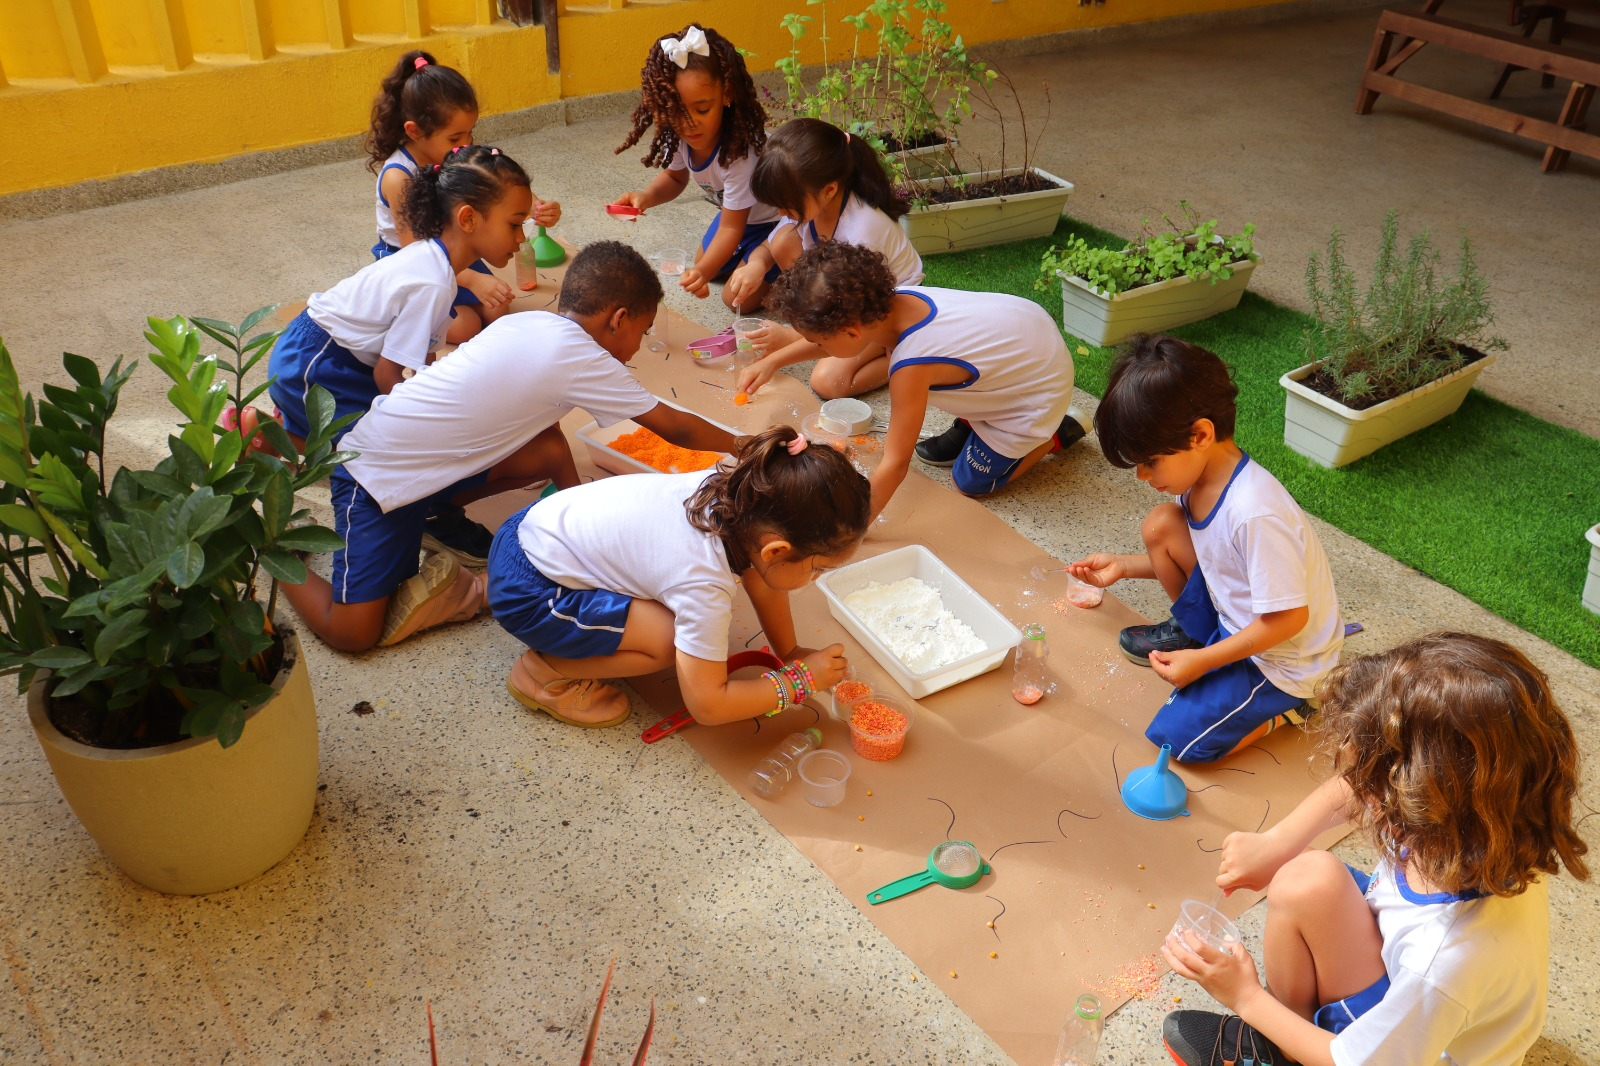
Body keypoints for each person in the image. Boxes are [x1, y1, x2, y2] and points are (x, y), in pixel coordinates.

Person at [280, 240, 736, 653]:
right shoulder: (583, 358)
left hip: (414, 467)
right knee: (354, 633)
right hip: (374, 479)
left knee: (547, 449)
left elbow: (545, 431)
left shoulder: (528, 323)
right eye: (643, 329)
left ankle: (435, 516)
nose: (638, 346)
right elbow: (679, 429)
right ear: (618, 318)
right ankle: (277, 553)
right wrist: (749, 444)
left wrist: (579, 515)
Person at [1160, 632, 1590, 1066]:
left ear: (1421, 796)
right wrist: (1278, 842)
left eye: (1374, 778)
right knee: (1305, 880)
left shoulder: (1442, 961)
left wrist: (1245, 997)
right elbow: (1357, 784)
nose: (1361, 787)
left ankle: (1286, 1048)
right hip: (1420, 995)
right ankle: (1283, 1042)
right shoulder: (1489, 827)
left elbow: (1356, 1061)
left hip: (1411, 1052)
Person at [1066, 335, 1343, 763]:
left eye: (1150, 461)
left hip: (1281, 660)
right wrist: (1123, 566)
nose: (1142, 476)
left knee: (1177, 741)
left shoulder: (1255, 513)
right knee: (1161, 525)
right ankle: (1199, 636)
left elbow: (1289, 619)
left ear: (1199, 434)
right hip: (1240, 618)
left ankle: (1294, 708)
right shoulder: (1199, 480)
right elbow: (1216, 560)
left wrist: (1205, 661)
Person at [486, 426, 868, 728]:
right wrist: (801, 681)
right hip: (532, 594)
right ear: (777, 551)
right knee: (667, 642)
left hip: (532, 529)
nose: (815, 579)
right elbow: (708, 705)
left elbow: (761, 575)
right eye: (817, 568)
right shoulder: (701, 581)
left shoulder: (743, 494)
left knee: (676, 628)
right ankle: (542, 673)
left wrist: (790, 652)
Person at [269, 145, 535, 566]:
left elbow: (413, 356)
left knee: (398, 437)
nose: (521, 238)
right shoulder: (434, 281)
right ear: (468, 219)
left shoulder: (438, 266)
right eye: (515, 224)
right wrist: (419, 423)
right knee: (375, 454)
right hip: (316, 362)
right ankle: (267, 442)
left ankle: (270, 435)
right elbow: (388, 374)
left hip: (339, 358)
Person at [758, 242, 1083, 518]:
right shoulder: (888, 303)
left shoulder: (911, 366)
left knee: (968, 483)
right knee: (957, 407)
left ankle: (1051, 435)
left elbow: (895, 463)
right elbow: (830, 341)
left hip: (1035, 395)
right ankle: (974, 423)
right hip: (1024, 347)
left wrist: (854, 528)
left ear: (852, 332)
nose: (817, 348)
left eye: (819, 342)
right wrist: (773, 361)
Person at [365, 49, 561, 344]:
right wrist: (473, 279)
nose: (466, 144)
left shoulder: (453, 154)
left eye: (470, 133)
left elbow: (497, 184)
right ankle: (392, 318)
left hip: (454, 250)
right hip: (410, 264)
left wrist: (536, 207)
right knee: (465, 326)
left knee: (497, 308)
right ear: (414, 131)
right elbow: (416, 252)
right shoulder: (398, 176)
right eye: (455, 138)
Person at [730, 118, 924, 397]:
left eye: (786, 207)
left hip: (888, 312)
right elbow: (772, 244)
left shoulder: (862, 233)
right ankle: (811, 332)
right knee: (783, 241)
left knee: (827, 381)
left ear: (829, 190)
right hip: (849, 298)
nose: (782, 213)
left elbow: (851, 320)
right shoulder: (813, 203)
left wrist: (783, 347)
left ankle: (906, 357)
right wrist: (756, 265)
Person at [611, 24, 774, 309]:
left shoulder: (740, 155)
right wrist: (646, 197)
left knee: (737, 301)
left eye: (702, 109)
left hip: (778, 224)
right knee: (705, 260)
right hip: (741, 219)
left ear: (726, 94)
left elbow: (730, 228)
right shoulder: (680, 136)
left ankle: (796, 267)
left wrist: (702, 273)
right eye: (676, 112)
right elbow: (675, 178)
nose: (689, 123)